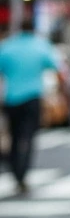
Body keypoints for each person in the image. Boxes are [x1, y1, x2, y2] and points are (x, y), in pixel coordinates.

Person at [0, 15, 61, 194]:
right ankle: (22, 172)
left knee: (14, 136)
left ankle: (16, 171)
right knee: (28, 137)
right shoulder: (40, 46)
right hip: (32, 98)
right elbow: (56, 67)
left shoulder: (8, 46)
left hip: (11, 98)